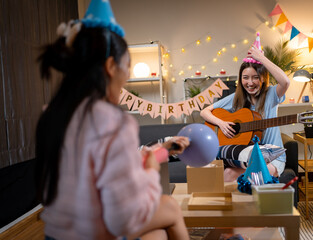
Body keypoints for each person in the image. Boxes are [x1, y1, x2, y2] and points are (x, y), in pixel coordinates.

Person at [35, 1, 190, 239]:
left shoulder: (52, 116)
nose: (126, 77)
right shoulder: (112, 122)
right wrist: (150, 174)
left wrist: (162, 150)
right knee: (169, 206)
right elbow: (124, 219)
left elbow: (106, 165)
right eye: (126, 68)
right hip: (95, 232)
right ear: (110, 66)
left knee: (157, 234)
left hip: (57, 235)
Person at [200, 44, 290, 179]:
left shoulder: (271, 94)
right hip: (247, 155)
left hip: (272, 158)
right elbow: (204, 112)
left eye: (255, 77)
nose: (250, 82)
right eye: (245, 77)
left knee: (254, 174)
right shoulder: (236, 98)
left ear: (263, 78)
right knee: (228, 174)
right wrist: (222, 123)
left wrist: (261, 58)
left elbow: (285, 82)